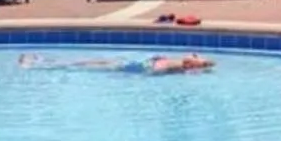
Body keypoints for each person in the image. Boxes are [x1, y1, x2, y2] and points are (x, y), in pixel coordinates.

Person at [17, 53, 214, 75]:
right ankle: (42, 63)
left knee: (84, 64)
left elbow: (154, 69)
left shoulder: (179, 65)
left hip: (134, 65)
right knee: (85, 64)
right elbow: (154, 68)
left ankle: (41, 64)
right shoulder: (179, 64)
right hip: (134, 65)